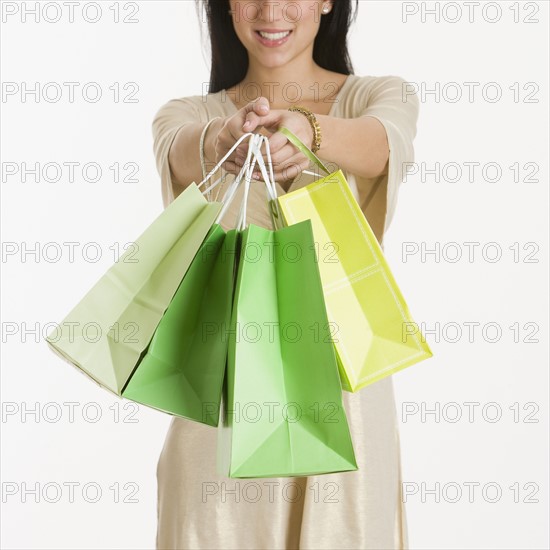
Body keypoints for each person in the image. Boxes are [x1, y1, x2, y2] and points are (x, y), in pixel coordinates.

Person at [152, 1, 419, 548]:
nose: (271, 10)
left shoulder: (377, 96)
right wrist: (223, 141)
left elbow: (379, 145)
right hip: (223, 384)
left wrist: (308, 131)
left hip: (343, 379)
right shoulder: (189, 114)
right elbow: (181, 151)